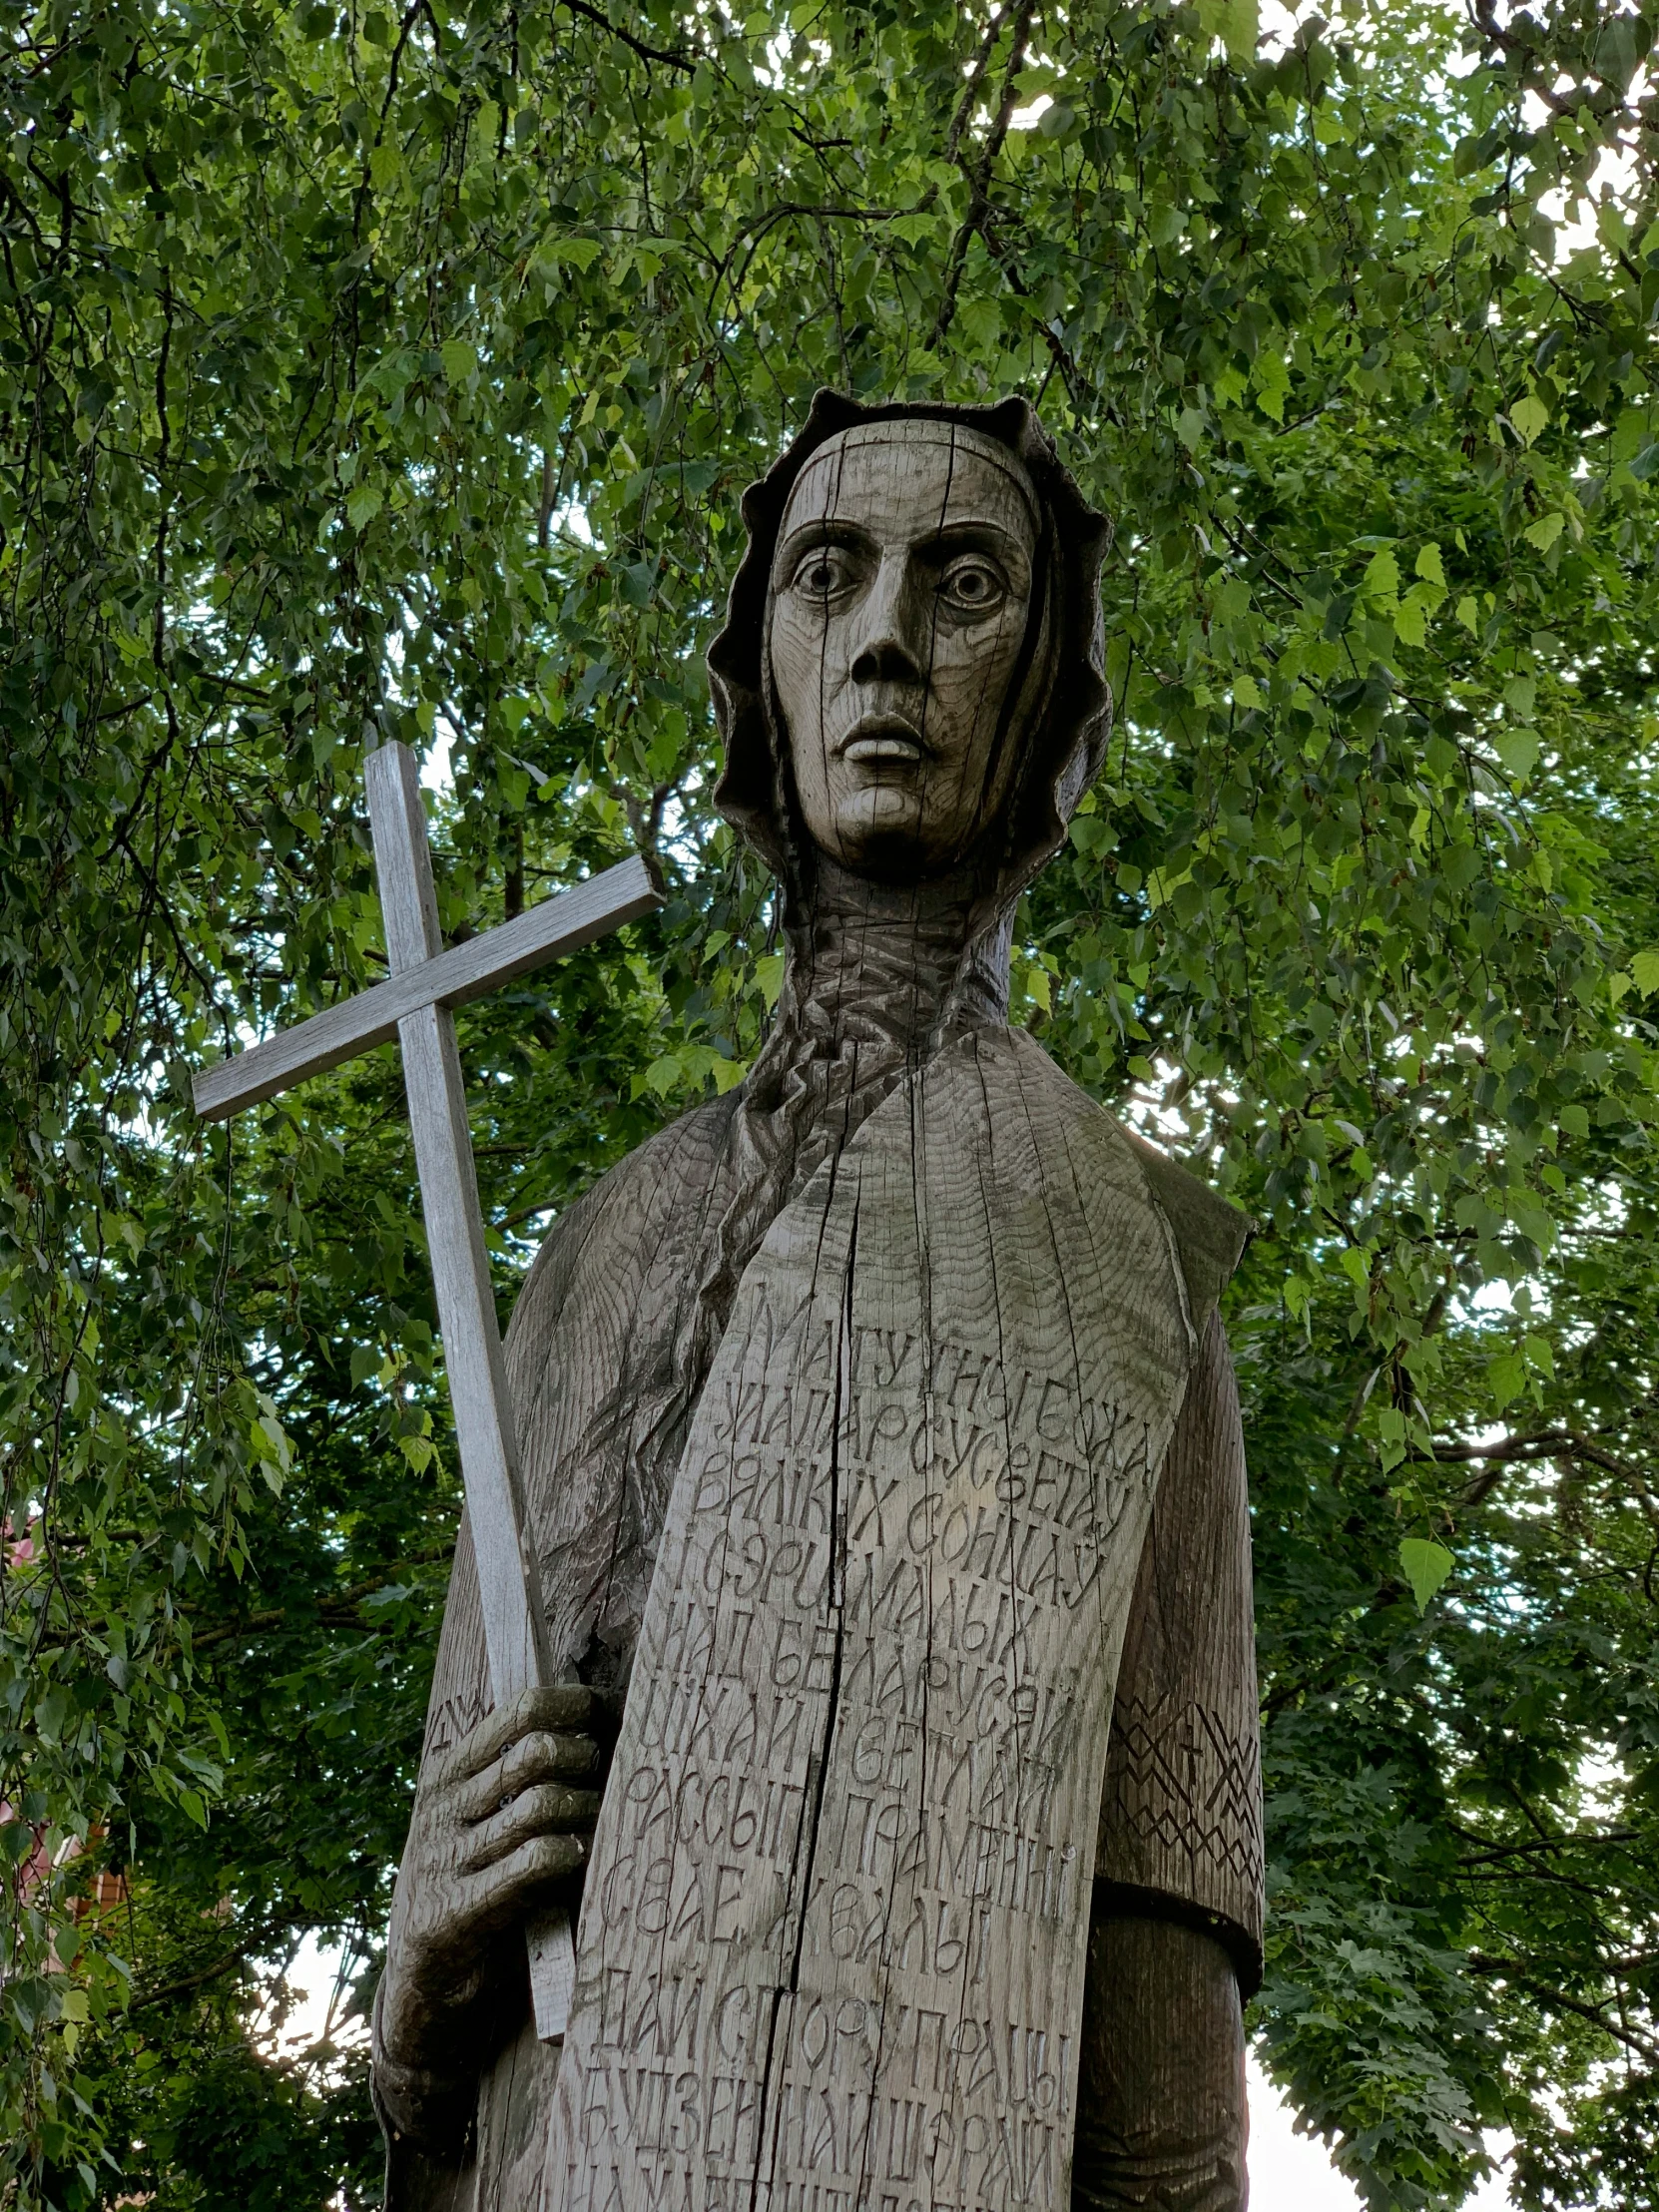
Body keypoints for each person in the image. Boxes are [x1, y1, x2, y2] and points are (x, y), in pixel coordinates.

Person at [372, 393, 1262, 2212]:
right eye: (826, 578)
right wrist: (416, 1985)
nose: (881, 640)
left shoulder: (1121, 1254)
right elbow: (426, 2034)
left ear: (1048, 698)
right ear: (762, 670)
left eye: (964, 584)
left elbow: (1169, 2076)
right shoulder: (596, 1250)